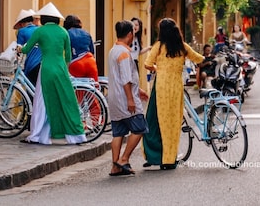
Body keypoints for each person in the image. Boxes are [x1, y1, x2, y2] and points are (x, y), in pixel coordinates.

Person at [19, 2, 86, 145]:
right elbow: (68, 55)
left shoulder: (40, 31)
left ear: (44, 18)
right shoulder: (63, 32)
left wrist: (19, 49)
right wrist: (65, 69)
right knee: (66, 100)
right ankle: (76, 135)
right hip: (61, 68)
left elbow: (27, 49)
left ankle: (38, 135)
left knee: (43, 101)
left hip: (47, 68)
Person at [143, 18, 204, 169]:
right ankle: (169, 159)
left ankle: (154, 156)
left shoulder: (158, 46)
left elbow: (147, 64)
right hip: (176, 88)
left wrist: (159, 69)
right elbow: (198, 58)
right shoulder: (182, 47)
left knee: (153, 122)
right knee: (172, 124)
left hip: (161, 88)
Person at [107, 20, 149, 176]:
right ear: (130, 34)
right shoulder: (124, 53)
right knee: (140, 128)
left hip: (114, 98)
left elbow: (120, 77)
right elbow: (126, 79)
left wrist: (139, 91)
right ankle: (123, 159)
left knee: (118, 132)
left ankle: (115, 166)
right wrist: (131, 99)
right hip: (125, 98)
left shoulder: (113, 50)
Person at [64, 14, 98, 81]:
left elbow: (66, 52)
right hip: (90, 62)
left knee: (76, 87)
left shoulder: (67, 33)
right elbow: (92, 51)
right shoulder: (86, 33)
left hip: (76, 63)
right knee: (93, 87)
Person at [13, 8, 41, 86]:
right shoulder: (39, 30)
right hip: (42, 63)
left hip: (31, 64)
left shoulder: (22, 31)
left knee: (30, 89)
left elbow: (19, 49)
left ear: (21, 23)